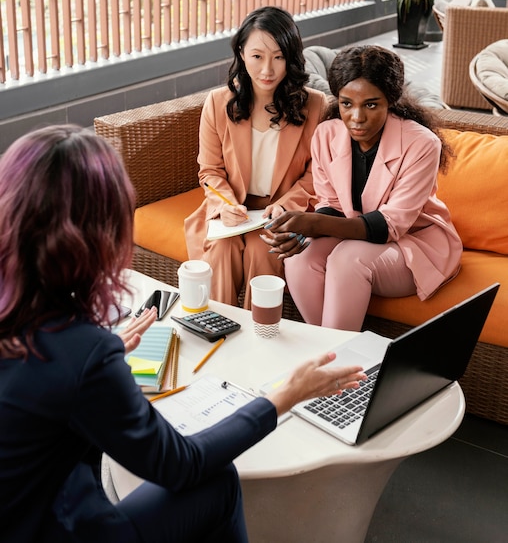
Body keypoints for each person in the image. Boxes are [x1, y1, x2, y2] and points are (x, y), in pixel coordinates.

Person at [0, 124, 366, 543]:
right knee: (217, 481)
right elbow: (181, 464)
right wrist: (285, 395)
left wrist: (95, 359)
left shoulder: (45, 330)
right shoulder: (83, 352)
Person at [260, 45, 462, 331]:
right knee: (299, 258)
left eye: (370, 104)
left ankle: (333, 362)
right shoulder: (326, 135)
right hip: (356, 234)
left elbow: (390, 225)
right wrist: (304, 229)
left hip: (414, 243)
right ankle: (331, 355)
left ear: (390, 100)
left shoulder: (422, 144)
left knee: (347, 259)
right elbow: (333, 205)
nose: (356, 117)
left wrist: (314, 223)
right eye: (346, 104)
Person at [184, 6, 328, 308]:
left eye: (279, 57)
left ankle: (259, 340)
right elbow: (209, 171)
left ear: (291, 57)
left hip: (281, 215)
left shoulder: (315, 106)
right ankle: (216, 334)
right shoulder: (217, 103)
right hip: (231, 212)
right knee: (222, 251)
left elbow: (318, 173)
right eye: (257, 56)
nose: (267, 70)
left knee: (265, 251)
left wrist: (287, 206)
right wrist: (225, 204)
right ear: (241, 53)